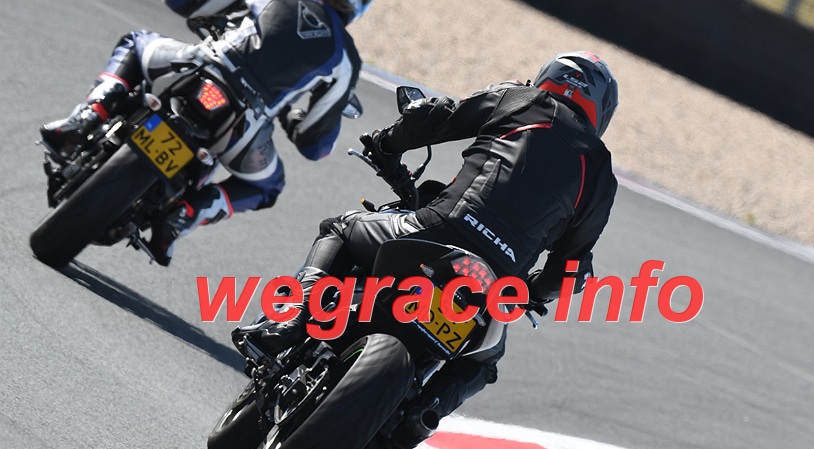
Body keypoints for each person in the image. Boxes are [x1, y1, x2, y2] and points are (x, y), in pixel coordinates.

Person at [234, 50, 619, 425]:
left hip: (438, 229)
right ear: (601, 111)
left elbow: (434, 117)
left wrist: (386, 144)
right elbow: (572, 268)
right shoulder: (601, 171)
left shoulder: (521, 98)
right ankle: (412, 426)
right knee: (483, 360)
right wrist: (534, 292)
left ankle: (292, 315)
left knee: (343, 228)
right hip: (495, 284)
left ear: (548, 76)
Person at [40, 0, 372, 266]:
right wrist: (293, 117)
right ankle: (186, 215)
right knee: (267, 186)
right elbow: (315, 144)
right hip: (242, 126)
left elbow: (185, 4)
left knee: (136, 43)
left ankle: (85, 117)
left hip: (196, 68)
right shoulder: (346, 59)